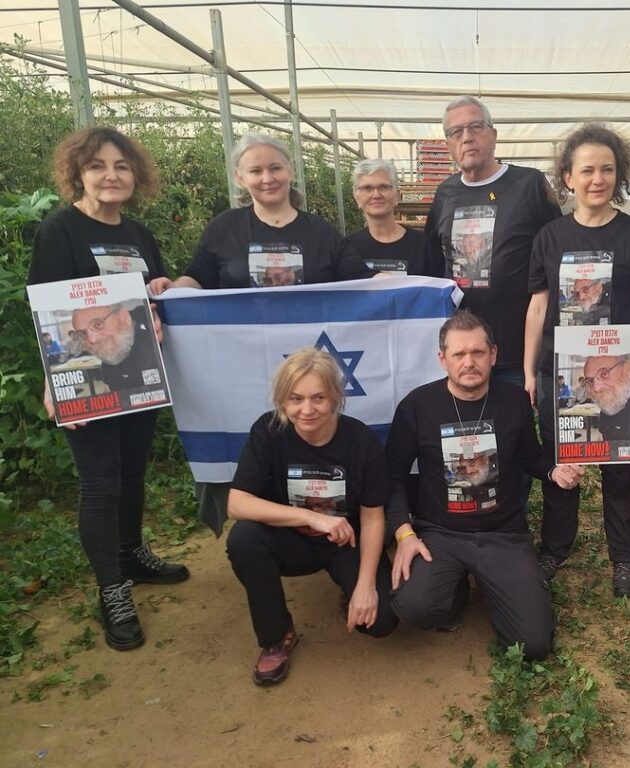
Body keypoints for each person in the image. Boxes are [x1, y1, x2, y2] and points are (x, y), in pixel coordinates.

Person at [149, 134, 378, 535]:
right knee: (256, 445)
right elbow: (198, 276)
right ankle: (261, 519)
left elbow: (362, 286)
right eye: (255, 170)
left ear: (291, 171)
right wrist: (175, 290)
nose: (267, 178)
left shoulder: (321, 233)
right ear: (240, 177)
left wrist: (397, 285)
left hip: (310, 370)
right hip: (243, 370)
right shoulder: (224, 229)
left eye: (275, 167)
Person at [27, 126, 188, 652]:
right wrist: (56, 381)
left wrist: (160, 296)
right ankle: (112, 589)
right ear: (79, 172)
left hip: (137, 374)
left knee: (131, 472)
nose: (111, 175)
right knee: (101, 485)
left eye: (121, 166)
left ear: (135, 174)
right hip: (86, 379)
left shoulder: (138, 234)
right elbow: (47, 309)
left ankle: (131, 553)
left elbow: (153, 293)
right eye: (98, 166)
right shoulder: (60, 230)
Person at [386, 311, 584, 660]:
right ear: (442, 359)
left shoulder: (514, 401)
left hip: (503, 533)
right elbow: (393, 476)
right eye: (459, 354)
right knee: (414, 607)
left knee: (533, 645)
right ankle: (456, 588)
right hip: (440, 534)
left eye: (478, 353)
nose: (469, 362)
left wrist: (554, 471)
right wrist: (404, 535)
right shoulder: (417, 406)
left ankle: (498, 584)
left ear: (493, 355)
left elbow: (529, 455)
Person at [524, 124, 630, 597]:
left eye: (607, 169)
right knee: (566, 465)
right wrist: (528, 371)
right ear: (568, 178)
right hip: (564, 373)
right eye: (587, 170)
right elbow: (539, 305)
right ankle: (555, 550)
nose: (597, 179)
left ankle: (624, 560)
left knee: (621, 472)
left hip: (622, 374)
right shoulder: (549, 236)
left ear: (618, 175)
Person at [226, 348, 396, 685]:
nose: (307, 409)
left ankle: (349, 593)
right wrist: (312, 518)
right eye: (296, 398)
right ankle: (277, 635)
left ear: (335, 397)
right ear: (282, 401)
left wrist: (364, 587)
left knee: (382, 623)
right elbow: (237, 503)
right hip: (291, 541)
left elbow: (374, 517)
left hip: (347, 542)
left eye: (318, 397)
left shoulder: (361, 441)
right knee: (244, 539)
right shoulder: (269, 432)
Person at [421, 96, 562, 387]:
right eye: (456, 132)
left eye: (476, 127)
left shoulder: (529, 184)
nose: (467, 138)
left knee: (516, 429)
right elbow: (434, 263)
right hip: (465, 355)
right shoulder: (445, 193)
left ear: (494, 135)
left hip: (517, 352)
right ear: (448, 144)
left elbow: (556, 251)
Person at [346, 158, 426, 275]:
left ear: (397, 196)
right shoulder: (349, 249)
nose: (376, 195)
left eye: (383, 187)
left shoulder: (422, 245)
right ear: (357, 198)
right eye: (367, 188)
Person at [69, 301, 161, 390]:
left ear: (124, 318)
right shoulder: (110, 359)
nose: (92, 340)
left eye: (97, 324)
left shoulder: (156, 335)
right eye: (82, 333)